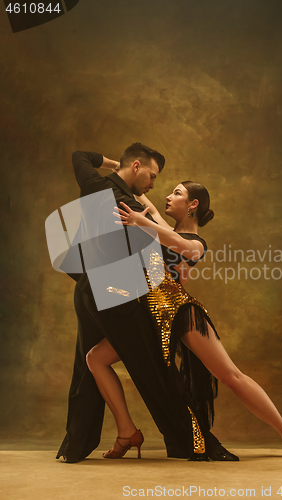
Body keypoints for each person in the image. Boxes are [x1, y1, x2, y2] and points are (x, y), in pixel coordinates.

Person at [86, 180, 282, 458]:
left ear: (193, 205)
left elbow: (179, 243)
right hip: (148, 318)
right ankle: (127, 432)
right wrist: (124, 176)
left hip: (180, 313)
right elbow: (144, 203)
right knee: (95, 358)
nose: (167, 196)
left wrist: (142, 222)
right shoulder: (162, 228)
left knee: (231, 376)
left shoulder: (196, 243)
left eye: (177, 193)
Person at [56, 145, 237, 463]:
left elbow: (80, 157)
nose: (155, 185)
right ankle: (182, 439)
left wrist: (114, 166)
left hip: (90, 290)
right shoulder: (127, 205)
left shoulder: (100, 187)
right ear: (136, 166)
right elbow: (158, 254)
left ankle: (90, 440)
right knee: (149, 371)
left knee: (92, 362)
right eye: (152, 176)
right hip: (117, 295)